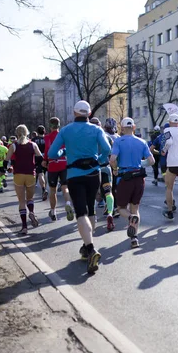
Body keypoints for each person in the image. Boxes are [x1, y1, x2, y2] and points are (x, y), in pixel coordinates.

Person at [48, 101, 111, 274]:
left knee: (81, 212)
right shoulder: (96, 129)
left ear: (74, 113)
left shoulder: (66, 130)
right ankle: (86, 246)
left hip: (75, 175)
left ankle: (90, 248)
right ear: (89, 114)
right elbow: (107, 148)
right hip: (93, 174)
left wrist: (64, 152)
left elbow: (52, 154)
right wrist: (99, 159)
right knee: (91, 209)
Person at [110, 117, 155, 248]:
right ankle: (134, 239)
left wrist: (115, 169)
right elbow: (151, 161)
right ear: (134, 127)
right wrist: (140, 164)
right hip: (139, 178)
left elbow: (112, 159)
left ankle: (130, 218)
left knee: (121, 208)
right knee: (135, 208)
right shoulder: (142, 142)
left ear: (122, 128)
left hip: (125, 177)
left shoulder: (118, 141)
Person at [5, 125, 43, 234]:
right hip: (31, 174)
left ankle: (24, 227)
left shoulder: (14, 146)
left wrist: (7, 169)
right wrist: (37, 167)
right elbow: (40, 158)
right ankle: (31, 212)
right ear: (27, 133)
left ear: (17, 133)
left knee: (21, 201)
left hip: (18, 175)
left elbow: (6, 160)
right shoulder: (33, 144)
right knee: (30, 198)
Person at [43, 117, 74, 221]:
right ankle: (68, 204)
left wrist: (45, 160)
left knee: (53, 190)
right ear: (59, 125)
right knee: (65, 187)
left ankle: (53, 212)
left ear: (50, 125)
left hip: (53, 164)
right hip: (64, 164)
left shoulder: (47, 137)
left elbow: (48, 150)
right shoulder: (64, 135)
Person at [88, 118, 116, 231]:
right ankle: (110, 214)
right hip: (105, 168)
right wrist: (115, 168)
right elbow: (112, 154)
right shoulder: (107, 137)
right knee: (108, 192)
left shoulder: (87, 138)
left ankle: (93, 216)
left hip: (92, 169)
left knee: (93, 194)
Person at [32, 125, 48, 200]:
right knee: (45, 174)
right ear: (44, 131)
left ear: (37, 132)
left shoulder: (33, 139)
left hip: (37, 157)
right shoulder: (47, 138)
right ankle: (44, 189)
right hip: (46, 157)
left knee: (40, 173)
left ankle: (44, 189)